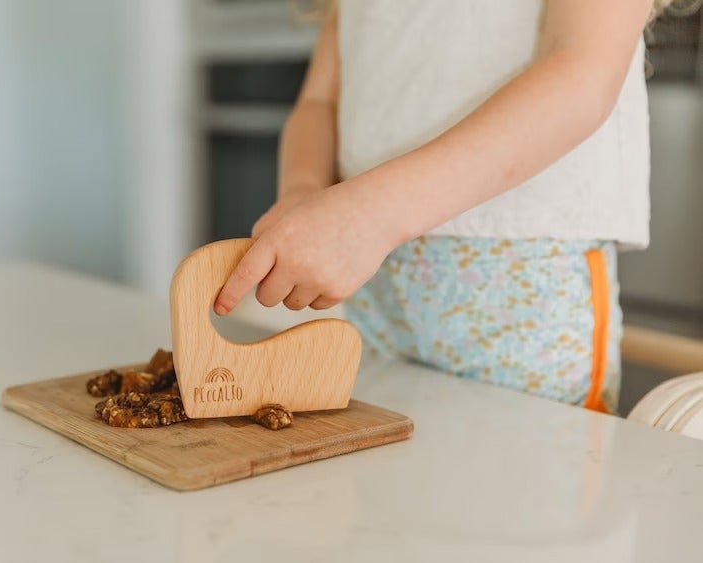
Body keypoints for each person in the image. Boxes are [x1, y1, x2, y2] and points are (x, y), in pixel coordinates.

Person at [213, 0, 669, 414]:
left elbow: (582, 74)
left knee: (536, 492)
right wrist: (302, 192)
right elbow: (319, 101)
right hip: (380, 293)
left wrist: (374, 214)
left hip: (527, 288)